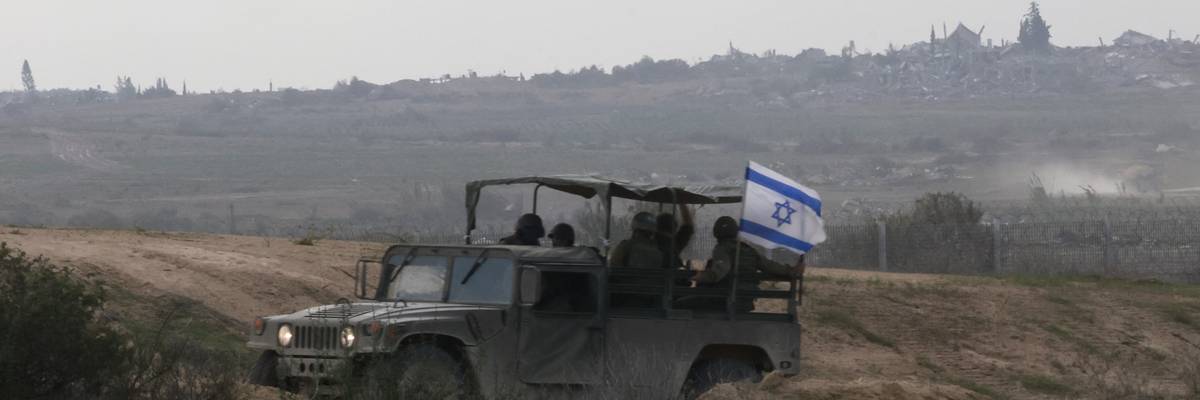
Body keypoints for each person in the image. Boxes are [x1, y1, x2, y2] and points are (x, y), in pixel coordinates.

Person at [682, 216, 804, 311]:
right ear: (735, 232)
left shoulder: (722, 249)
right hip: (745, 301)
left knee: (678, 303)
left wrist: (695, 275)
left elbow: (717, 274)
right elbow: (770, 266)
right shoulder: (748, 250)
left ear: (716, 233)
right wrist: (791, 270)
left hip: (724, 300)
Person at [656, 205, 695, 270]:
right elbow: (688, 225)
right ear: (675, 228)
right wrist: (682, 203)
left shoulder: (649, 241)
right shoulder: (675, 244)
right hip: (672, 278)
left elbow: (688, 226)